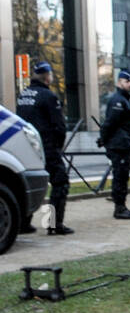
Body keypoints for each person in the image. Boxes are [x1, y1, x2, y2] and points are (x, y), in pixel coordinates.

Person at [16, 60, 73, 235]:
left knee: (27, 184)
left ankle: (23, 223)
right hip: (46, 147)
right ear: (47, 77)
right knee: (60, 183)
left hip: (26, 148)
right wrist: (58, 147)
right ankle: (54, 224)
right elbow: (59, 127)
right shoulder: (48, 96)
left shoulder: (23, 95)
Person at [98, 69, 130, 220]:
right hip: (119, 145)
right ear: (119, 83)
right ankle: (120, 208)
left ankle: (121, 206)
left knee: (122, 176)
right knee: (120, 176)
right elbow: (110, 123)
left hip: (122, 144)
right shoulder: (118, 101)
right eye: (126, 81)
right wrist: (103, 138)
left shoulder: (123, 100)